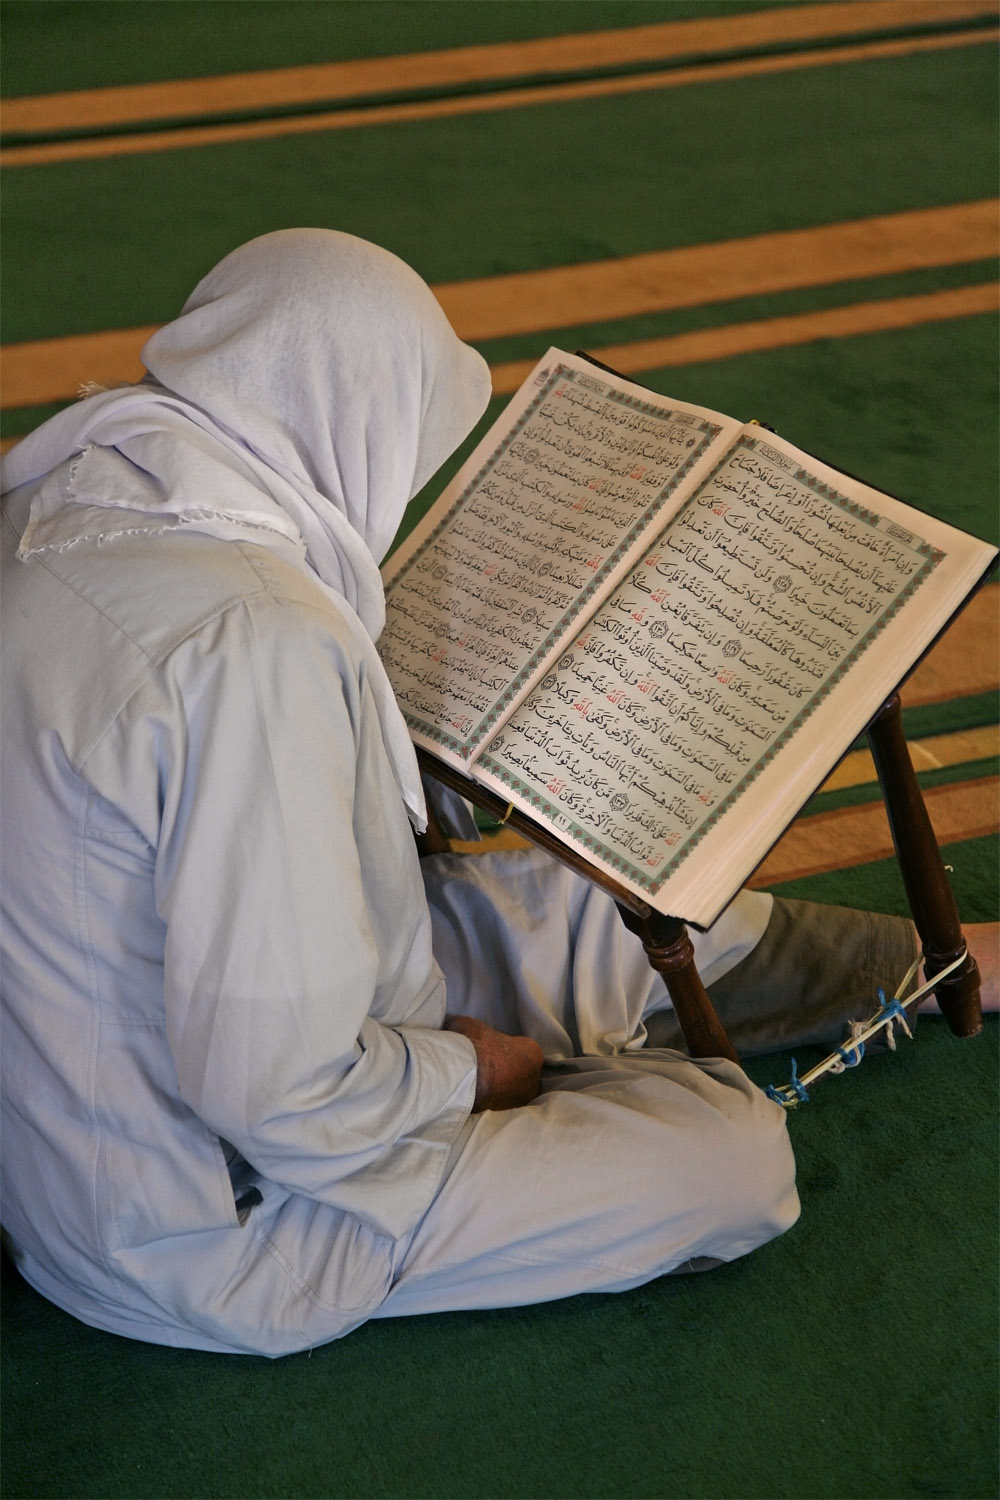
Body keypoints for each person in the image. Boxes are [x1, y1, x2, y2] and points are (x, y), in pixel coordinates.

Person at [0, 230, 990, 1357]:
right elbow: (282, 1101)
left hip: (128, 1067)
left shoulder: (69, 491)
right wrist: (475, 1067)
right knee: (733, 1156)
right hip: (203, 1218)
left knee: (564, 910)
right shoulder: (252, 646)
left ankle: (948, 959)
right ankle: (581, 1079)